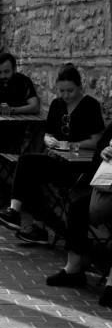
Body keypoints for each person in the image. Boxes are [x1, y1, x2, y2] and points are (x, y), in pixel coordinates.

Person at [0, 63, 104, 245]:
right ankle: (17, 213)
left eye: (70, 91)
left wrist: (71, 146)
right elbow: (48, 133)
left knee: (31, 171)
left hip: (80, 164)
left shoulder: (90, 105)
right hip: (58, 159)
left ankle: (37, 227)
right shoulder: (57, 104)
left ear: (80, 87)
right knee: (27, 164)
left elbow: (96, 142)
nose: (65, 95)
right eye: (61, 91)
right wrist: (49, 140)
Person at [44, 123, 112, 305]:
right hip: (108, 185)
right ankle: (73, 269)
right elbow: (101, 145)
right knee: (77, 208)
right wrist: (104, 151)